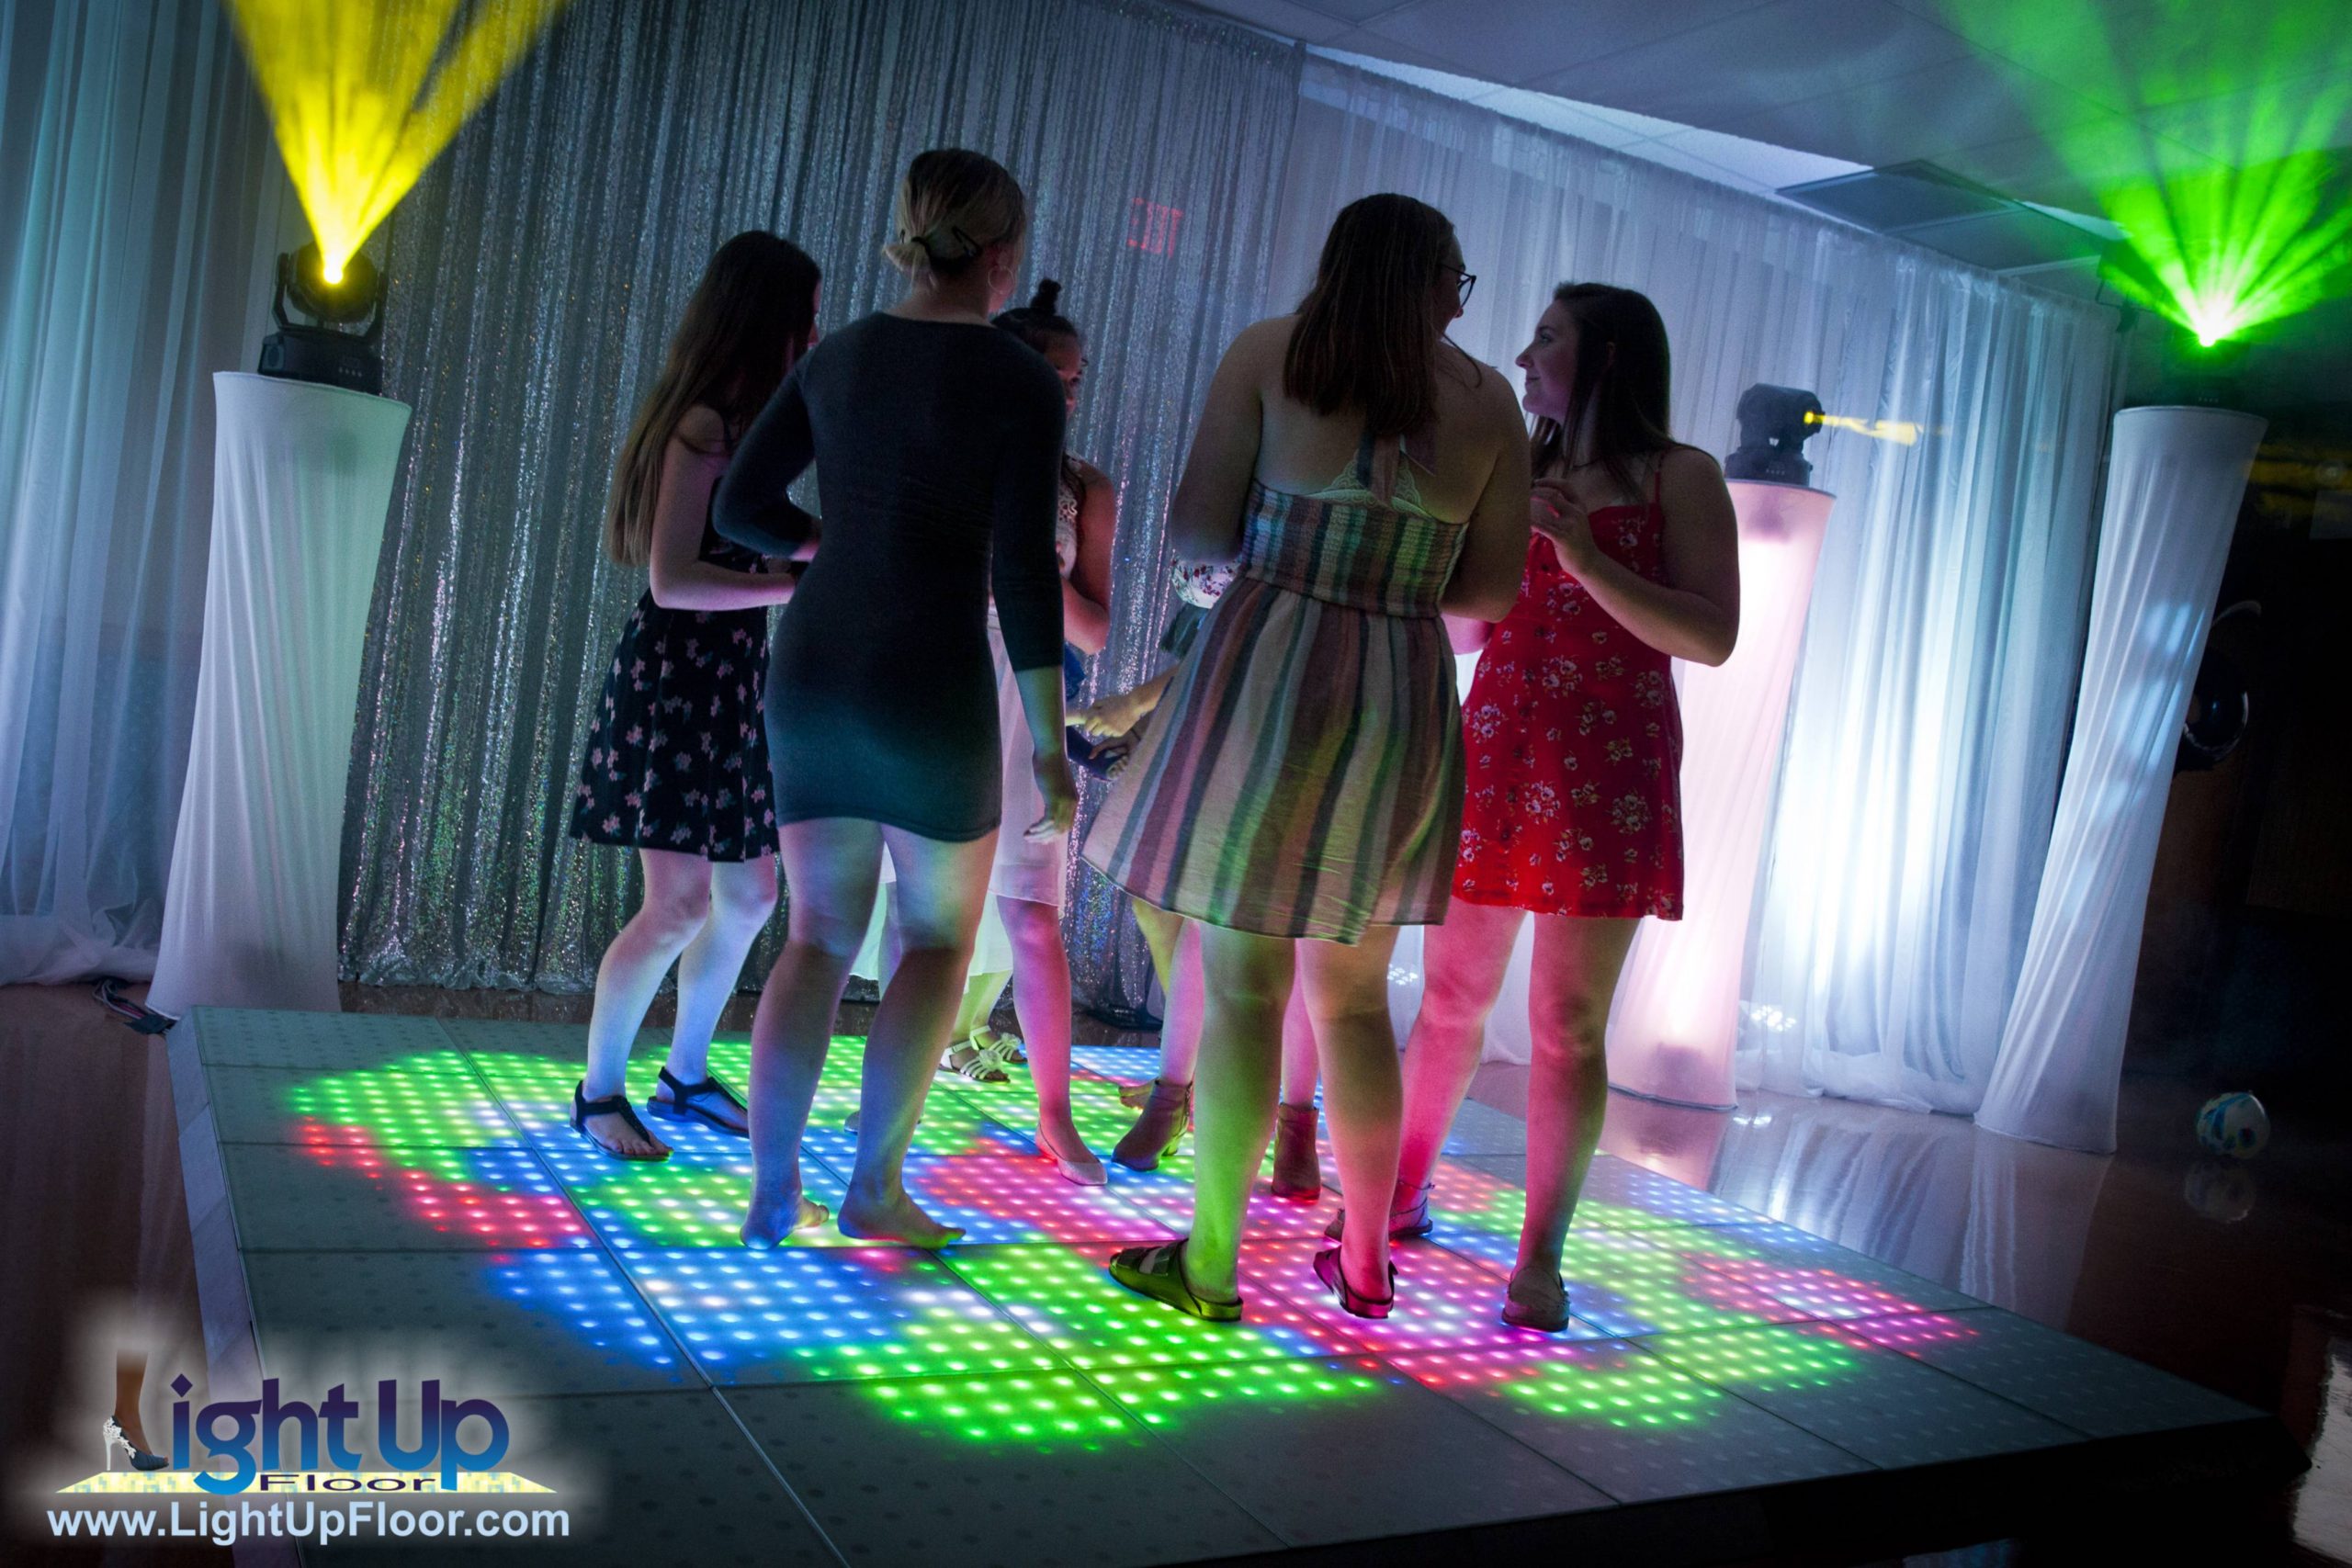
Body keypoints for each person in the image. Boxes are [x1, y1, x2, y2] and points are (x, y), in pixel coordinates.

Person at [1081, 194, 1531, 1321]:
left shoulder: (1270, 354)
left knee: (1244, 988)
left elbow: (1196, 532)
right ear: (1432, 282)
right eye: (1455, 282)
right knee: (1356, 1002)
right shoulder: (1490, 403)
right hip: (1397, 685)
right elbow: (1488, 590)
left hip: (1267, 666)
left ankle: (1211, 1265)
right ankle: (1366, 1262)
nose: (1457, 304)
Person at [714, 149, 1076, 1249]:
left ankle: (772, 1192)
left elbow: (740, 507)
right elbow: (1025, 573)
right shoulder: (1019, 379)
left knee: (816, 937)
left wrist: (829, 542)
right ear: (1003, 255)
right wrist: (1049, 746)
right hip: (931, 679)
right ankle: (873, 1190)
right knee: (933, 942)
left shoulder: (839, 357)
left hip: (817, 665)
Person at [1381, 283, 1740, 1332]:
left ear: (1608, 357)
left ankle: (1541, 1254)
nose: (1525, 354)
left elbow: (1713, 636)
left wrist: (1584, 560)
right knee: (1451, 997)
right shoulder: (1519, 466)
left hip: (1608, 759)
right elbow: (1470, 630)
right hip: (1497, 741)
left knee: (1567, 1023)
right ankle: (1399, 1191)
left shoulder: (1680, 475)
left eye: (1548, 337)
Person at [853, 279, 1116, 1184]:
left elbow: (1094, 631)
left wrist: (1032, 571)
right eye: (1054, 375)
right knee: (919, 909)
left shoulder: (1083, 486)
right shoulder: (945, 452)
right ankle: (895, 1104)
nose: (1066, 394)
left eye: (1076, 380)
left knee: (1032, 915)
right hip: (941, 677)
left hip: (1026, 690)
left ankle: (1054, 1113)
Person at [567, 232, 820, 1162]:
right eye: (805, 316)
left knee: (749, 895)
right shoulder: (705, 423)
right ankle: (598, 1092)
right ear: (766, 320)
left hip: (729, 684)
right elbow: (673, 580)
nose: (814, 333)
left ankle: (684, 1073)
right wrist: (797, 581)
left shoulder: (741, 422)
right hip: (679, 680)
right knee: (675, 905)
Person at [1077, 569, 1324, 1197]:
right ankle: (1173, 1095)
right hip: (1209, 696)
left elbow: (1253, 621)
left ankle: (1296, 1121)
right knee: (1194, 910)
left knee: (1300, 926)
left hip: (1292, 680)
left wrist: (1140, 703)